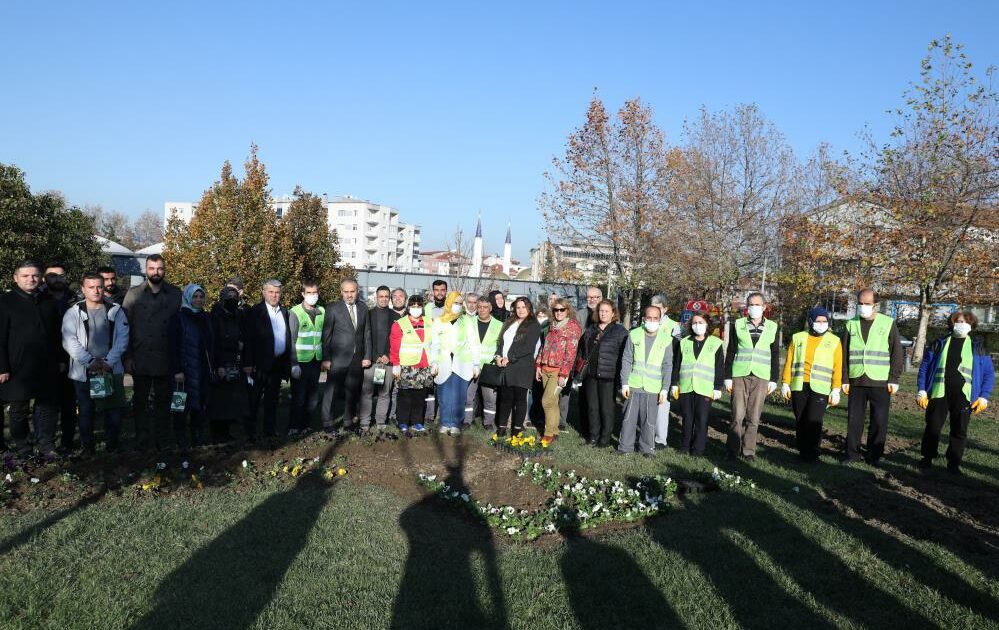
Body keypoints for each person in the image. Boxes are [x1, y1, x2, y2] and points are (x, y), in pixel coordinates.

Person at [916, 311, 994, 475]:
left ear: (972, 326)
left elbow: (988, 374)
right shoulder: (939, 343)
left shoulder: (978, 347)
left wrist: (983, 396)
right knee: (933, 427)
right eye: (958, 321)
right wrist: (922, 390)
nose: (962, 324)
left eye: (966, 322)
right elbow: (924, 368)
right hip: (939, 392)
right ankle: (927, 458)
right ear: (952, 324)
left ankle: (953, 463)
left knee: (959, 430)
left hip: (964, 396)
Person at [62, 272, 130, 454]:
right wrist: (89, 361)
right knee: (86, 411)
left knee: (113, 411)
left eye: (99, 286)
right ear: (83, 289)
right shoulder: (73, 312)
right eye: (91, 287)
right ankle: (88, 448)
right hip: (84, 372)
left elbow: (123, 339)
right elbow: (69, 341)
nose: (96, 290)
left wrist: (109, 362)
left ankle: (112, 446)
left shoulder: (116, 310)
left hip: (110, 369)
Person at [0, 261, 63, 458]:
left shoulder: (49, 302)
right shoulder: (5, 302)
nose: (31, 279)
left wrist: (61, 359)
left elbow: (57, 335)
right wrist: (2, 367)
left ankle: (46, 445)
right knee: (18, 410)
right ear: (15, 278)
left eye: (35, 275)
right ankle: (23, 447)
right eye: (26, 276)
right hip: (17, 367)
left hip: (46, 365)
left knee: (47, 408)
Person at [123, 254, 182, 450]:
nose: (156, 272)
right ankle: (141, 440)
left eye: (160, 268)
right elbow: (125, 327)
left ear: (165, 270)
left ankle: (162, 440)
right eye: (152, 268)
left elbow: (180, 329)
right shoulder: (133, 294)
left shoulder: (175, 294)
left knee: (163, 403)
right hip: (141, 357)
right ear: (145, 270)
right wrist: (128, 356)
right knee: (140, 403)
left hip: (166, 358)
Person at [841, 289, 904, 466]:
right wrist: (844, 379)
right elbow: (843, 354)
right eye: (860, 303)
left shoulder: (888, 323)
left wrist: (894, 378)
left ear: (876, 304)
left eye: (867, 304)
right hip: (856, 379)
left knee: (879, 421)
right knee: (854, 420)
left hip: (880, 381)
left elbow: (896, 353)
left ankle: (874, 455)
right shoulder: (850, 324)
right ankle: (851, 454)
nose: (863, 307)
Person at [781, 307, 842, 462]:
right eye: (818, 321)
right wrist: (785, 383)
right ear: (811, 321)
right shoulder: (797, 338)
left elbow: (837, 367)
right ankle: (802, 451)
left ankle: (813, 453)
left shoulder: (834, 341)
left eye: (824, 321)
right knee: (801, 419)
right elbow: (789, 362)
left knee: (814, 420)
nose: (821, 324)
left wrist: (836, 389)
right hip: (799, 386)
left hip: (821, 387)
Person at [724, 292, 780, 460]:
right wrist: (727, 376)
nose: (753, 308)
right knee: (737, 415)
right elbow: (731, 351)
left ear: (764, 307)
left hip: (761, 376)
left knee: (754, 417)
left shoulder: (772, 327)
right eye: (750, 305)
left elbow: (775, 354)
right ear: (746, 307)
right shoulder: (738, 324)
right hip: (739, 374)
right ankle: (732, 450)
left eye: (757, 305)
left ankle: (748, 451)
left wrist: (774, 379)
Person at [618, 306, 673, 457]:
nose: (652, 321)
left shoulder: (666, 339)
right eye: (649, 318)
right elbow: (627, 359)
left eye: (656, 318)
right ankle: (625, 447)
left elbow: (668, 366)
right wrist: (624, 383)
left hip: (653, 388)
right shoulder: (634, 334)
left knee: (649, 421)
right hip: (634, 385)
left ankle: (647, 449)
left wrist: (664, 389)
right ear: (643, 319)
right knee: (628, 419)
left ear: (660, 320)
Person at [243, 279, 292, 442]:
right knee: (254, 400)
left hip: (277, 364)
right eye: (270, 292)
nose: (274, 295)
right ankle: (250, 433)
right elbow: (248, 339)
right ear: (264, 292)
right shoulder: (255, 311)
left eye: (277, 292)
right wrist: (248, 363)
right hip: (259, 365)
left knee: (272, 400)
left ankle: (269, 431)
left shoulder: (284, 312)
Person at [670, 311, 724, 456]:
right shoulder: (684, 342)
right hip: (686, 387)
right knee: (687, 418)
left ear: (707, 325)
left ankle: (698, 449)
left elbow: (719, 367)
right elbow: (677, 365)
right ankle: (685, 446)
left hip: (705, 388)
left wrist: (718, 387)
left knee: (702, 419)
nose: (697, 326)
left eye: (700, 323)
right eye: (694, 323)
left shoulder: (716, 343)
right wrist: (674, 383)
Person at [320, 278, 371, 432]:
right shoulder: (333, 308)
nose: (349, 295)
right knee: (332, 392)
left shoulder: (363, 308)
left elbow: (367, 334)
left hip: (357, 359)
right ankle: (328, 422)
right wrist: (326, 358)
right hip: (337, 359)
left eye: (352, 291)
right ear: (341, 292)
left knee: (352, 391)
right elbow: (326, 335)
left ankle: (348, 421)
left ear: (357, 291)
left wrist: (367, 355)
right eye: (346, 291)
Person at [168, 284, 213, 452]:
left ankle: (197, 436)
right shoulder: (178, 318)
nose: (199, 300)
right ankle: (180, 439)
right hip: (184, 371)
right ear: (188, 297)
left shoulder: (206, 317)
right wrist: (177, 370)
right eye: (195, 297)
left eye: (201, 297)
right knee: (180, 406)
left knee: (199, 405)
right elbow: (172, 346)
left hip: (201, 368)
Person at [579, 299, 628, 447]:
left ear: (613, 313)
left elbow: (624, 355)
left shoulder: (620, 331)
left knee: (606, 408)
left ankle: (604, 439)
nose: (603, 313)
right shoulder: (591, 329)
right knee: (592, 407)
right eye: (601, 311)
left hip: (609, 376)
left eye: (607, 311)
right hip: (591, 375)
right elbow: (582, 351)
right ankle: (593, 436)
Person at [431, 291, 480, 436]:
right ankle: (445, 422)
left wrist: (476, 363)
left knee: (459, 396)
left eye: (460, 303)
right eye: (455, 303)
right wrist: (433, 361)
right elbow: (434, 343)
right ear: (449, 303)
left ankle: (456, 423)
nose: (458, 306)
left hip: (462, 363)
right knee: (444, 395)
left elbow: (474, 344)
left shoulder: (467, 321)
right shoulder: (439, 321)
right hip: (443, 362)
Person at [40, 263, 78, 452]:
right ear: (45, 278)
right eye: (52, 276)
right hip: (46, 358)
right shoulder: (38, 299)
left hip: (72, 357)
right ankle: (46, 443)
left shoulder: (74, 298)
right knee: (46, 405)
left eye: (61, 275)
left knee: (69, 403)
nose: (57, 279)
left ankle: (68, 441)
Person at [535, 298, 582, 446]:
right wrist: (538, 365)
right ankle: (554, 431)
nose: (559, 312)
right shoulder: (551, 325)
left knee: (547, 401)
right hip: (546, 368)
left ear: (567, 310)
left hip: (558, 371)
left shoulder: (573, 328)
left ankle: (548, 434)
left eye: (562, 309)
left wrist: (564, 374)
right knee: (553, 402)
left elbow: (571, 353)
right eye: (556, 310)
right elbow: (544, 346)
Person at [494, 297, 542, 437]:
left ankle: (516, 429)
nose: (521, 310)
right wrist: (498, 356)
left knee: (520, 399)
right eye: (518, 307)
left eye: (524, 307)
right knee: (505, 398)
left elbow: (528, 347)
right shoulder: (509, 321)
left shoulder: (534, 325)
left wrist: (510, 359)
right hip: (506, 365)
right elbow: (501, 341)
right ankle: (502, 427)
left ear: (529, 308)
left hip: (522, 366)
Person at [208, 285, 249, 443]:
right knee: (218, 400)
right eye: (229, 298)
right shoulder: (215, 316)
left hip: (235, 362)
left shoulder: (238, 315)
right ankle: (216, 434)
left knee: (230, 401)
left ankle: (226, 432)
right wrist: (218, 365)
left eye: (235, 298)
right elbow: (214, 342)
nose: (232, 301)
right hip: (220, 363)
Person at [390, 295, 434, 432]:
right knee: (405, 395)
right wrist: (395, 363)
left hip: (424, 364)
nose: (416, 309)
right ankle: (403, 421)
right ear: (409, 307)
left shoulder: (429, 321)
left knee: (420, 396)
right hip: (406, 365)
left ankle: (417, 422)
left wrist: (435, 362)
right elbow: (394, 345)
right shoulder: (400, 324)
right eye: (413, 306)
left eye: (419, 306)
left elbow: (435, 342)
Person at [359, 285, 398, 432]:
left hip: (387, 362)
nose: (383, 299)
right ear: (376, 297)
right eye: (381, 296)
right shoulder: (368, 314)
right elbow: (365, 338)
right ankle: (364, 422)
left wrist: (388, 355)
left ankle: (381, 421)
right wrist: (375, 356)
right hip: (372, 361)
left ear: (389, 298)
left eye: (386, 296)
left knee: (384, 393)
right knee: (367, 393)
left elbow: (396, 340)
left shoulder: (396, 316)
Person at [289, 280, 325, 436]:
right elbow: (291, 339)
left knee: (312, 397)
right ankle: (294, 427)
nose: (312, 296)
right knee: (299, 397)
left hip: (315, 361)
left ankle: (306, 425)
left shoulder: (322, 311)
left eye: (315, 292)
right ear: (303, 294)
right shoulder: (295, 312)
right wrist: (293, 363)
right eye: (309, 293)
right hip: (300, 362)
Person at [466, 296, 503, 428]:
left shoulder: (499, 325)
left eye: (485, 307)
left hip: (489, 367)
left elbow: (501, 345)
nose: (482, 310)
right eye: (479, 307)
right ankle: (466, 421)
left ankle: (488, 422)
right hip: (471, 365)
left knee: (490, 399)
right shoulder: (469, 322)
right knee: (468, 396)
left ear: (490, 308)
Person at [649, 294, 679, 449]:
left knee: (662, 406)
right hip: (648, 369)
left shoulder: (674, 326)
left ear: (665, 309)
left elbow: (677, 352)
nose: (655, 311)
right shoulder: (647, 322)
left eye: (659, 308)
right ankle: (647, 435)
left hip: (664, 370)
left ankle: (661, 439)